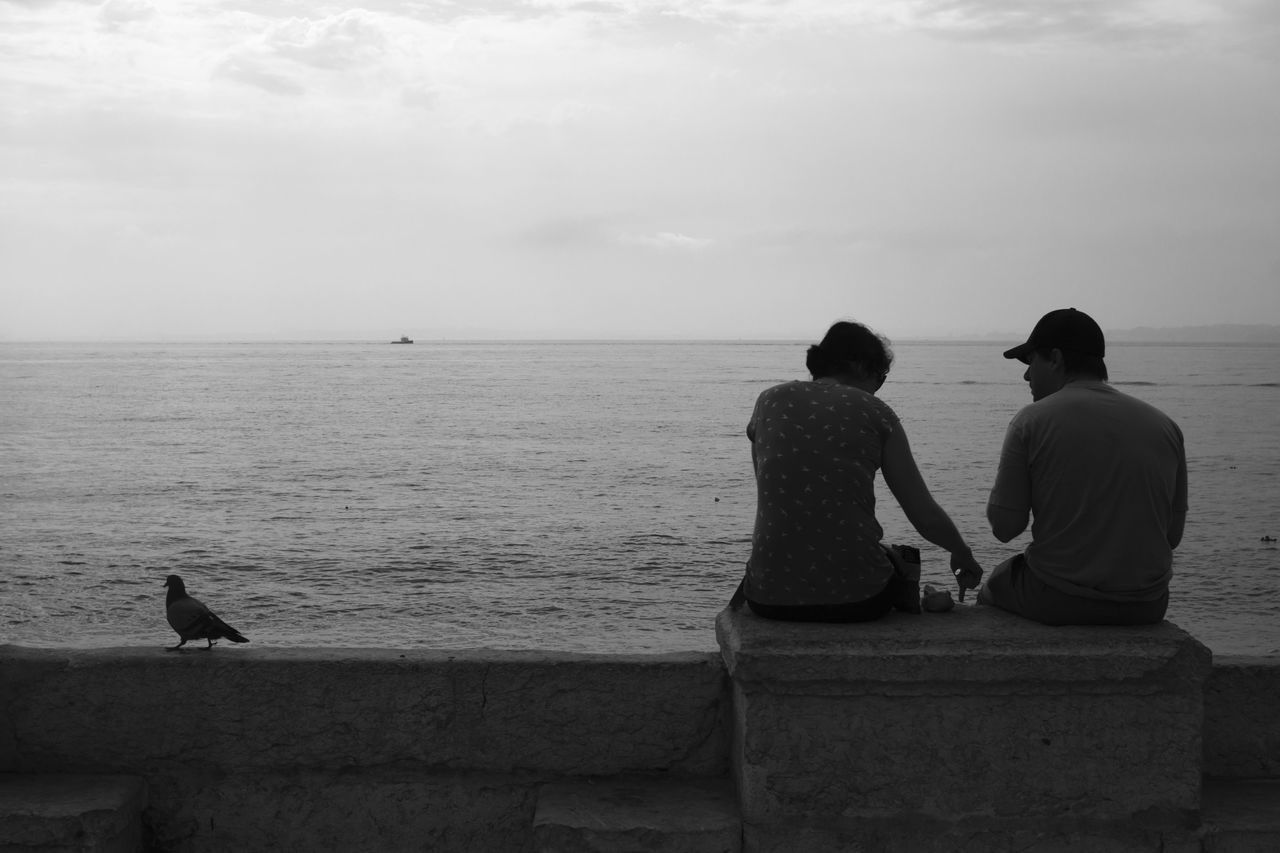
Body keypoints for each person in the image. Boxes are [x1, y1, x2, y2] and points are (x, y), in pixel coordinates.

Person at [742, 320, 984, 622]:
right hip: (859, 599)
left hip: (767, 597)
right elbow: (921, 510)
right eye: (880, 376)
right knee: (900, 559)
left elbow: (776, 493)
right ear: (860, 365)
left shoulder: (769, 401)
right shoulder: (876, 412)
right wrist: (962, 552)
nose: (878, 387)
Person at [980, 308, 1188, 625]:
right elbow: (1171, 536)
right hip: (1147, 605)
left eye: (1030, 362)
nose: (1026, 376)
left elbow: (1005, 529)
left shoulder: (1031, 421)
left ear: (1056, 358)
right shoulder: (1165, 426)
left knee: (994, 585)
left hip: (1057, 598)